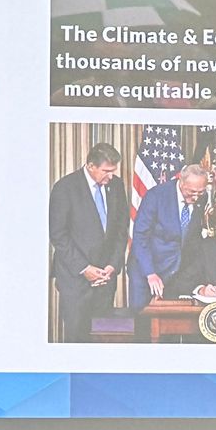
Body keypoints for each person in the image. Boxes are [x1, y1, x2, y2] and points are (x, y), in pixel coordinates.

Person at [47, 142, 130, 341]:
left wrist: (112, 264)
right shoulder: (65, 188)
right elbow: (58, 235)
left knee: (101, 337)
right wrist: (85, 269)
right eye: (106, 171)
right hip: (75, 280)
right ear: (91, 166)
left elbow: (121, 230)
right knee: (77, 336)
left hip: (105, 278)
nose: (111, 176)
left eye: (113, 171)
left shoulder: (116, 186)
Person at [129, 163, 208, 310]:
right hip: (147, 270)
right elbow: (140, 237)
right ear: (181, 181)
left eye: (200, 192)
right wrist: (150, 273)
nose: (196, 197)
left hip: (177, 272)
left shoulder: (202, 198)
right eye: (191, 191)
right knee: (142, 322)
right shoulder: (156, 196)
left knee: (169, 323)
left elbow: (193, 236)